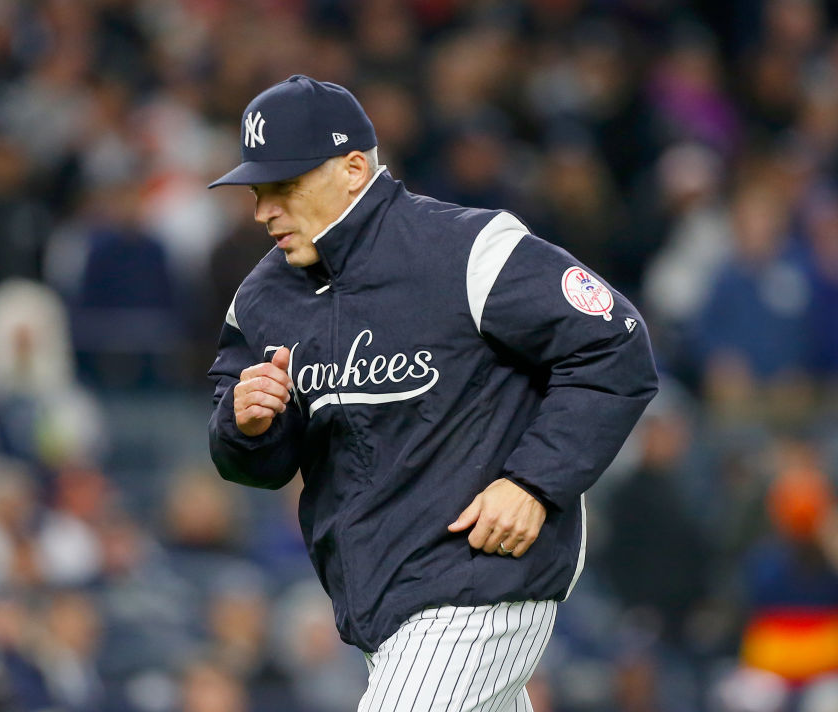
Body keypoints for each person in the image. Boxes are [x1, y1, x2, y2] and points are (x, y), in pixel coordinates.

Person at [206, 75, 659, 712]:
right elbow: (253, 463)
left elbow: (617, 343)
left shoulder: (467, 249)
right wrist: (246, 425)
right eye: (257, 191)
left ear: (354, 168)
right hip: (378, 604)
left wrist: (533, 481)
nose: (263, 211)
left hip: (484, 580)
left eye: (283, 188)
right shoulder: (261, 298)